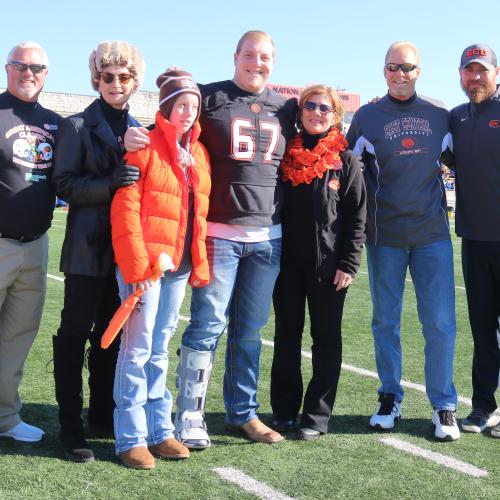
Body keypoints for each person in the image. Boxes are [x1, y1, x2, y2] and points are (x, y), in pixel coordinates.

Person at [125, 30, 296, 447]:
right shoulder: (212, 96)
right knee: (207, 325)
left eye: (265, 56)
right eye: (250, 54)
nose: (257, 62)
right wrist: (135, 134)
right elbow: (172, 117)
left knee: (251, 330)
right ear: (235, 56)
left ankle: (243, 412)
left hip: (267, 236)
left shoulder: (286, 108)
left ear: (274, 61)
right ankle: (190, 413)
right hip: (218, 233)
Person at [346, 41, 460, 441]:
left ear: (419, 70)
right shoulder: (365, 116)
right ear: (384, 70)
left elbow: (467, 163)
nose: (400, 73)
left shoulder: (441, 114)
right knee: (385, 322)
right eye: (392, 66)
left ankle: (444, 405)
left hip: (432, 236)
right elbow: (345, 172)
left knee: (441, 323)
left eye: (407, 67)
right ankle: (389, 396)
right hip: (385, 237)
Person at [111, 68, 211, 469]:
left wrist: (196, 261)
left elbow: (197, 214)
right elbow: (126, 208)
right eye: (180, 105)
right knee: (136, 351)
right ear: (166, 108)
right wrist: (138, 266)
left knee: (160, 349)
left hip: (180, 267)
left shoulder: (199, 155)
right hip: (147, 268)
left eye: (194, 105)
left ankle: (159, 430)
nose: (188, 112)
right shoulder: (144, 145)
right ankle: (129, 437)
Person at [51, 41, 143, 462]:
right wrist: (110, 182)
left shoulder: (141, 126)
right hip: (87, 248)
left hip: (126, 249)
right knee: (74, 333)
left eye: (124, 77)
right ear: (96, 79)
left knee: (112, 333)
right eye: (108, 76)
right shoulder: (75, 126)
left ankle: (103, 412)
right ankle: (71, 426)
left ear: (134, 81)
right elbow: (64, 184)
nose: (116, 84)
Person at [271, 85, 366, 441]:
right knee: (286, 337)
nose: (316, 112)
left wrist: (349, 263)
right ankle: (282, 410)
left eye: (324, 108)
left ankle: (316, 415)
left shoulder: (347, 161)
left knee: (326, 339)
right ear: (300, 113)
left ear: (336, 116)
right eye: (309, 106)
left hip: (329, 268)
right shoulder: (284, 155)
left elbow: (357, 217)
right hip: (286, 266)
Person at [0, 42, 60, 443]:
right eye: (21, 64)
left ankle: (5, 417)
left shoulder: (56, 122)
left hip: (36, 244)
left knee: (18, 337)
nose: (28, 72)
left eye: (37, 67)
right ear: (8, 67)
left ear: (46, 73)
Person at [449, 44, 500, 437]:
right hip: (474, 239)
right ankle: (483, 406)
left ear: (496, 74)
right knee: (482, 329)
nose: (475, 78)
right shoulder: (456, 118)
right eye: (469, 71)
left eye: (482, 71)